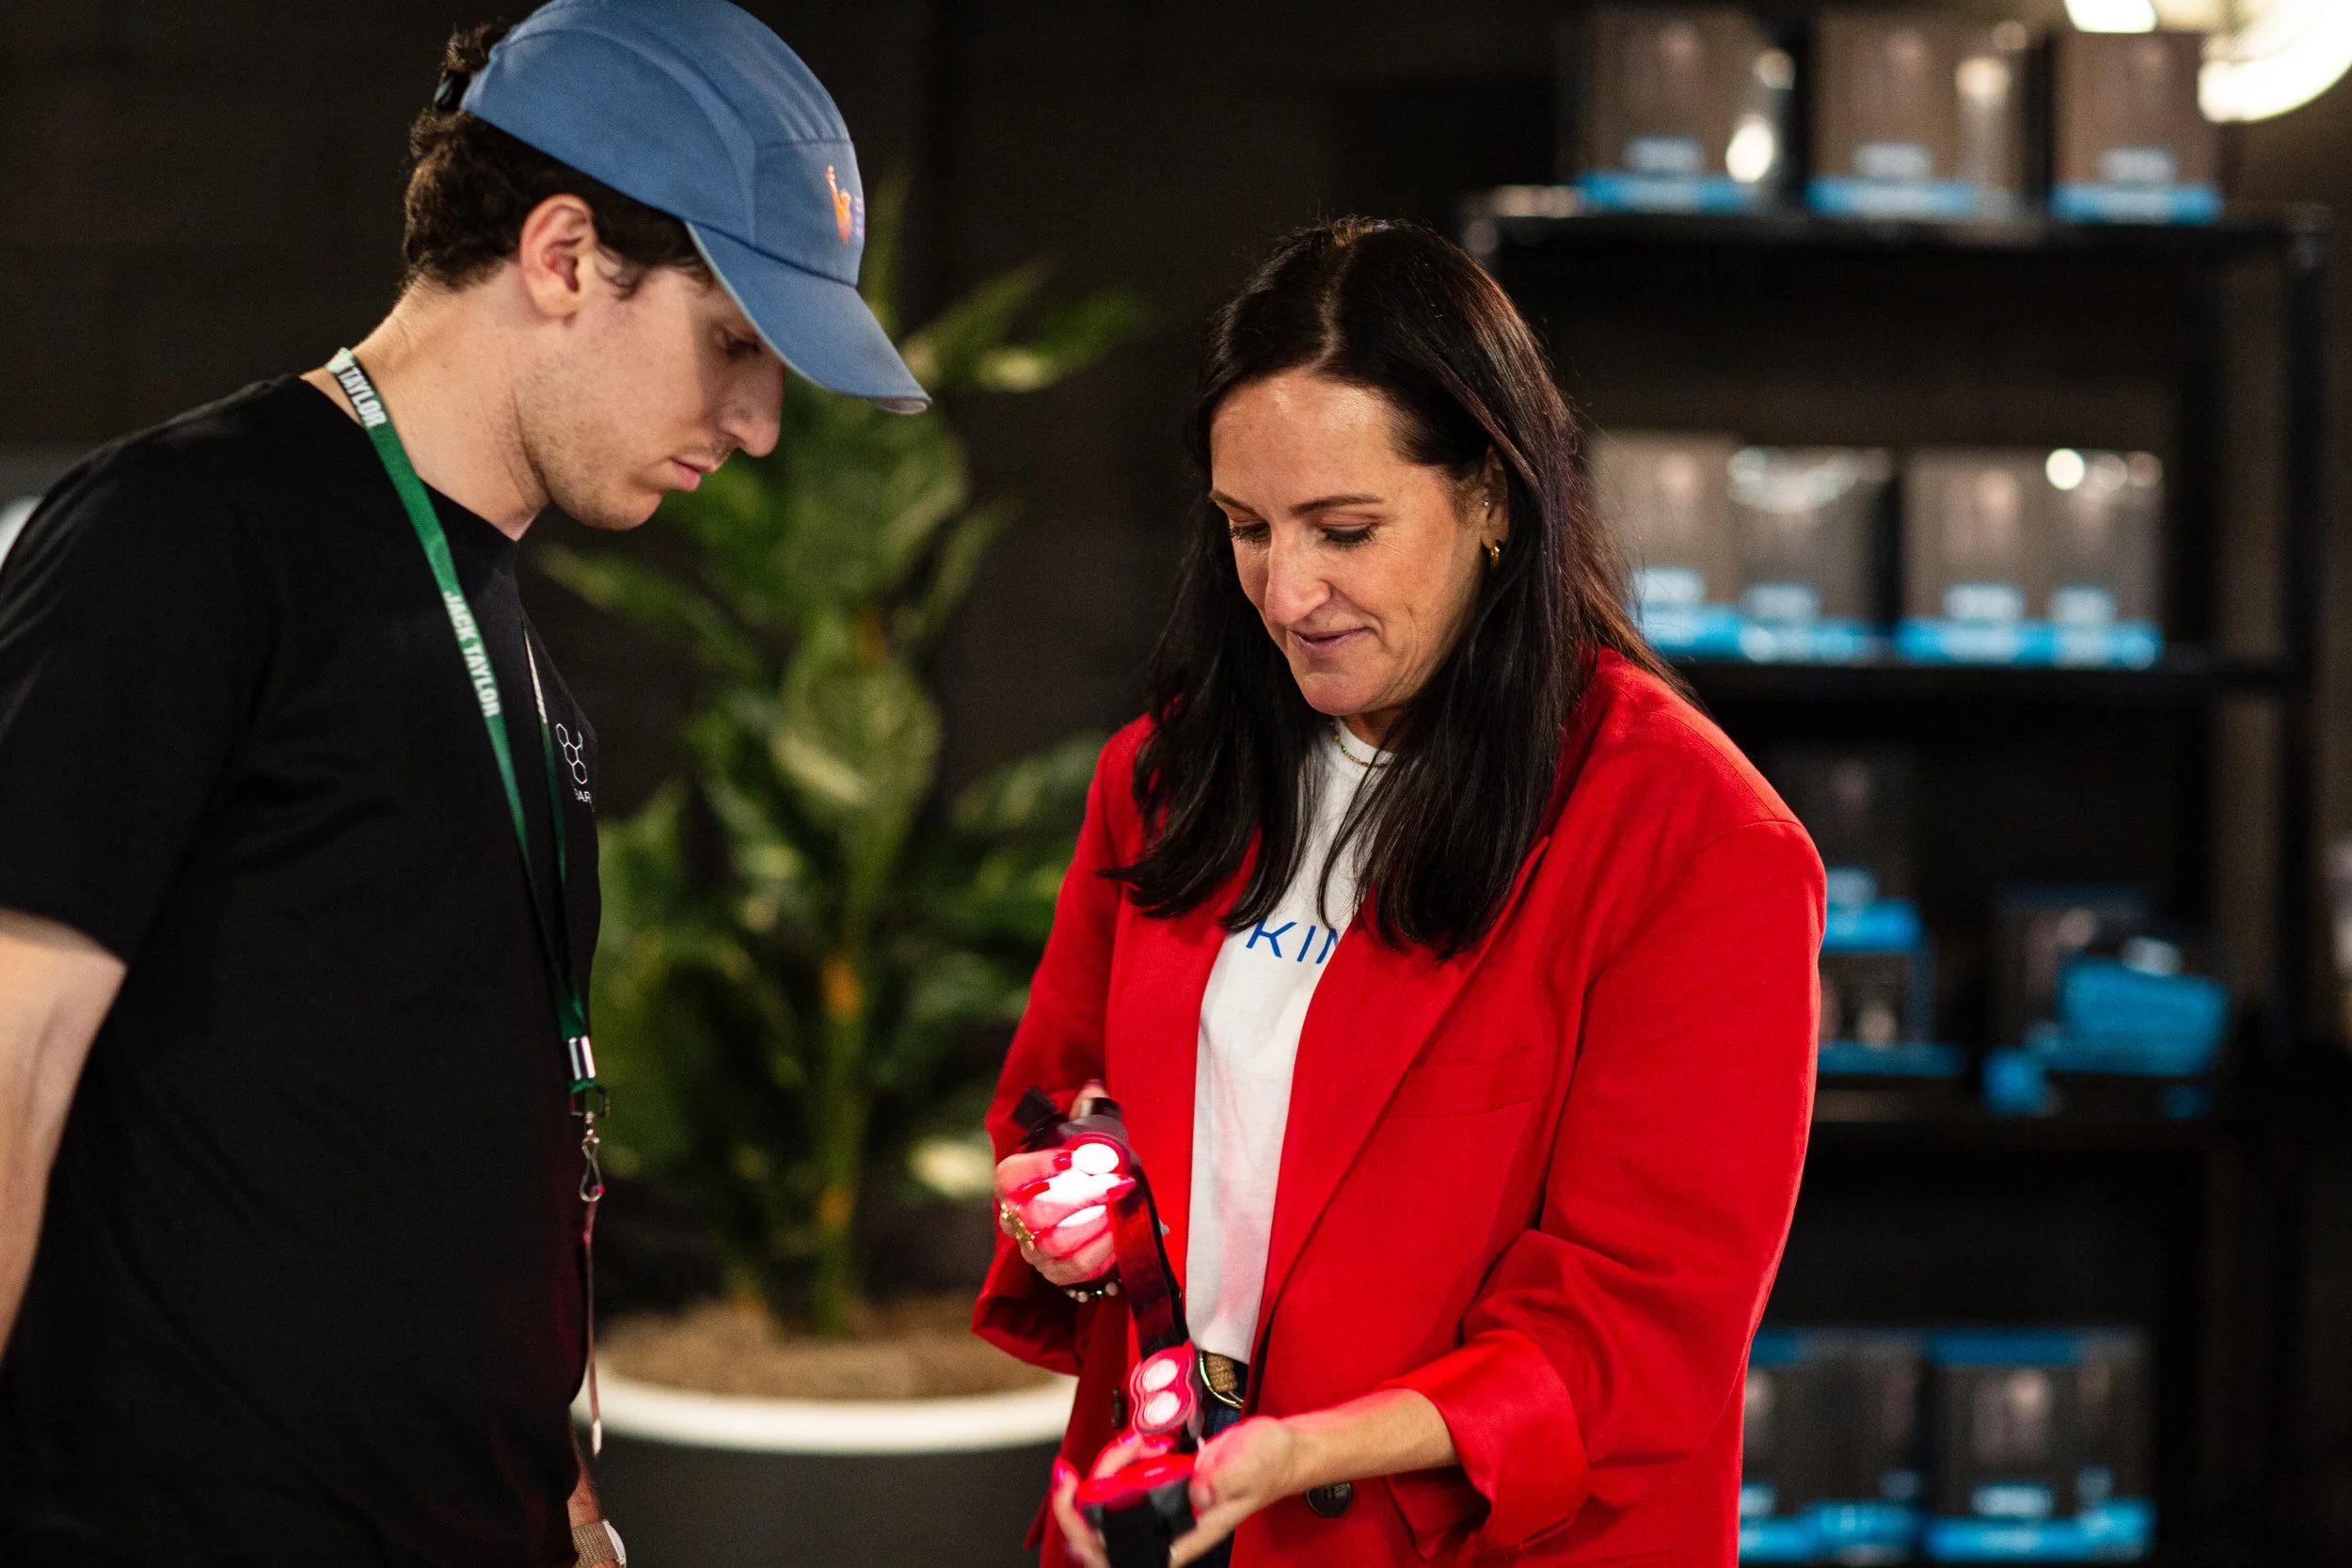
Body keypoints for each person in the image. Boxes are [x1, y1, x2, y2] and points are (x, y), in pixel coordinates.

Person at [0, 3, 925, 1562]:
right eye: (733, 344)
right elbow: (11, 1052)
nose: (761, 426)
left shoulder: (508, 649)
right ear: (562, 256)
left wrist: (550, 1483)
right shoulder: (182, 534)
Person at [977, 217, 1822, 1568]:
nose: (1286, 591)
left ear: (1494, 497)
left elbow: (1632, 1328)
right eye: (1247, 530)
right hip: (1160, 1510)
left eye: (1345, 530)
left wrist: (1300, 1452)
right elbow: (1057, 1098)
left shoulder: (1693, 840)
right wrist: (1071, 1199)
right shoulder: (1168, 775)